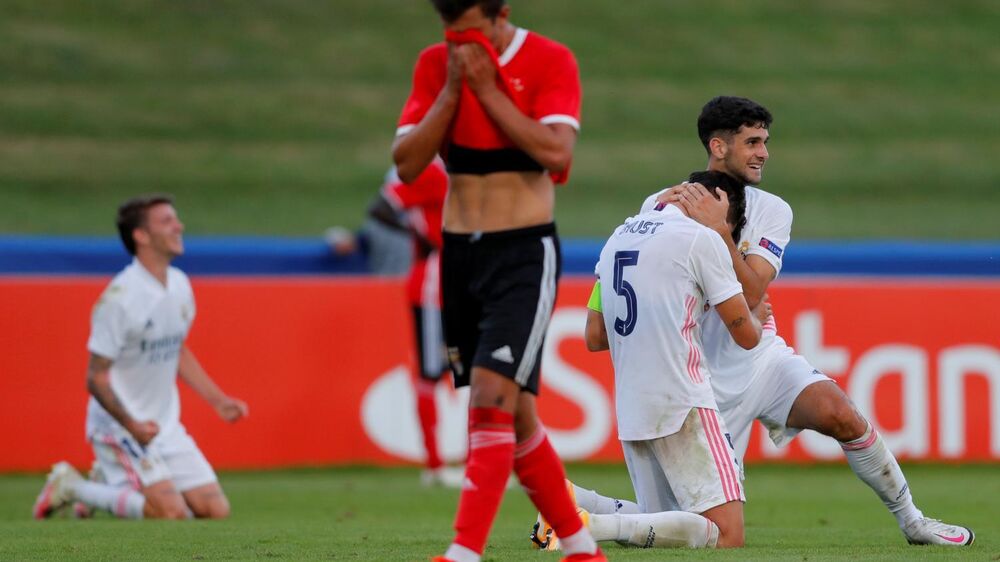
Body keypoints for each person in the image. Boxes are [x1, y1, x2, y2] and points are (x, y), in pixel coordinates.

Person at [564, 96, 974, 547]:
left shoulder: (772, 209)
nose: (764, 153)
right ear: (718, 147)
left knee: (841, 414)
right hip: (700, 378)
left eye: (765, 141)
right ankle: (581, 506)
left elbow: (755, 292)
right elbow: (737, 299)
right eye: (752, 142)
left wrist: (720, 232)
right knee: (692, 523)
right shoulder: (662, 203)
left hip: (760, 358)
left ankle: (913, 521)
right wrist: (720, 240)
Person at [392, 1, 603, 561]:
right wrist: (452, 91)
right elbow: (408, 162)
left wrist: (488, 91)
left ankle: (463, 552)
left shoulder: (549, 59)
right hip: (459, 254)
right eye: (452, 33)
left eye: (473, 32)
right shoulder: (438, 65)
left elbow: (557, 152)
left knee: (489, 397)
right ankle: (583, 549)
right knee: (514, 413)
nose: (463, 44)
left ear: (500, 16)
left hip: (522, 253)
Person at [32, 194, 248, 520]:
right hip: (120, 427)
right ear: (141, 236)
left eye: (176, 219)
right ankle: (74, 487)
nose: (179, 226)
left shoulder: (179, 285)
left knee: (215, 510)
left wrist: (217, 401)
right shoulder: (119, 299)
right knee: (171, 514)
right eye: (167, 221)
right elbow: (96, 377)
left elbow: (177, 349)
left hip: (163, 425)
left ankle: (106, 480)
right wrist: (131, 424)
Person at [371, 158, 462, 486]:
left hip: (459, 280)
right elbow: (381, 205)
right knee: (431, 372)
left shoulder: (456, 167)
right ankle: (435, 465)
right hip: (433, 285)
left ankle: (475, 462)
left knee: (468, 370)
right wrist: (420, 233)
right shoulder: (430, 170)